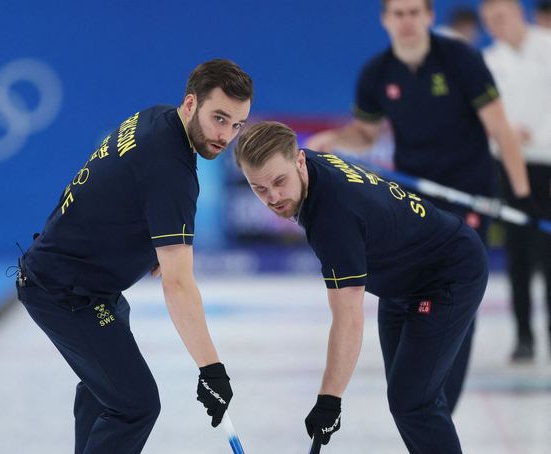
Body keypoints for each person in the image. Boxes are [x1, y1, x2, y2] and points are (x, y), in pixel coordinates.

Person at [305, 0, 531, 413]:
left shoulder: (460, 58)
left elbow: (499, 127)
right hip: (415, 205)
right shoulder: (377, 73)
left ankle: (442, 406)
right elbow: (366, 134)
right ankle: (416, 398)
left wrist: (520, 195)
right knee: (403, 293)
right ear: (385, 21)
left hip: (470, 196)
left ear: (429, 17)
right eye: (398, 13)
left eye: (414, 12)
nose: (407, 21)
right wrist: (335, 139)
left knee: (457, 299)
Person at [15, 59, 252, 454]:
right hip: (65, 291)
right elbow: (178, 283)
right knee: (135, 405)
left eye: (237, 125)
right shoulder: (171, 171)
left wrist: (148, 245)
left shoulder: (157, 118)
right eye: (219, 118)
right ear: (191, 104)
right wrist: (211, 369)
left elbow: (115, 191)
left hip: (81, 281)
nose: (226, 135)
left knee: (106, 389)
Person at [235, 120, 489, 453]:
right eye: (259, 188)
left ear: (298, 161)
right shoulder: (308, 168)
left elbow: (349, 319)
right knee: (412, 397)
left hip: (447, 275)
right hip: (403, 282)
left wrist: (329, 400)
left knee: (413, 402)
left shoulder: (332, 218)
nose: (273, 197)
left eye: (279, 182)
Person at [481, 0, 551, 361]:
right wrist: (507, 135)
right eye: (488, 20)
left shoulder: (547, 45)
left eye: (501, 16)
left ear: (517, 12)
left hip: (549, 165)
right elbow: (484, 118)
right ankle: (524, 336)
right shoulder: (489, 61)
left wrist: (535, 133)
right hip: (510, 166)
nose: (495, 24)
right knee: (519, 253)